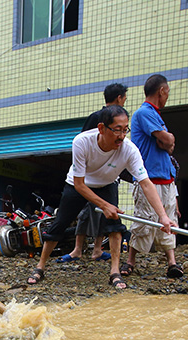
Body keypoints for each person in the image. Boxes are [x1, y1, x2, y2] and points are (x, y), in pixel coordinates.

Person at [24, 105, 175, 289]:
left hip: (107, 184)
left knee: (115, 226)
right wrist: (104, 206)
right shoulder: (82, 142)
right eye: (117, 130)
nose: (121, 136)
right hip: (78, 184)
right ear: (102, 128)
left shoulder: (129, 149)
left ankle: (115, 272)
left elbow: (146, 183)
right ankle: (40, 267)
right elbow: (79, 184)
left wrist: (163, 216)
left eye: (125, 130)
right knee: (60, 224)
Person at [59, 82, 128, 263]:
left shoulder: (120, 127)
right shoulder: (97, 119)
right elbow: (84, 148)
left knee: (105, 213)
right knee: (84, 214)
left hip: (107, 180)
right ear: (119, 98)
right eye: (125, 99)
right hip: (87, 179)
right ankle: (77, 249)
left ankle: (97, 249)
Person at [126, 74, 182, 278]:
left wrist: (168, 141)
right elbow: (166, 140)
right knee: (143, 220)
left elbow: (169, 145)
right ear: (162, 91)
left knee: (170, 219)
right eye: (167, 92)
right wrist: (168, 139)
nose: (168, 96)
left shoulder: (156, 115)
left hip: (166, 178)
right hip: (147, 178)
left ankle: (172, 262)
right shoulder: (144, 112)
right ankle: (130, 260)